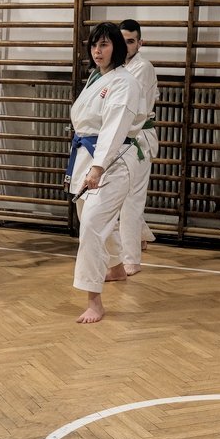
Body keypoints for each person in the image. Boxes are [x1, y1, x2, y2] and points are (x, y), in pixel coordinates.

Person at [68, 22, 146, 323]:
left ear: (117, 46)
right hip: (86, 157)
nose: (98, 50)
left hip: (112, 162)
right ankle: (115, 267)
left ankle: (94, 300)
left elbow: (114, 128)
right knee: (91, 219)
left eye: (105, 44)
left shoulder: (124, 82)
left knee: (90, 225)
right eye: (94, 45)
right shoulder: (96, 78)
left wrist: (99, 167)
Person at [112, 19, 159, 275]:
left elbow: (124, 101)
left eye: (131, 41)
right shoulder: (117, 66)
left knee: (131, 199)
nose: (126, 45)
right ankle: (141, 235)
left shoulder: (143, 67)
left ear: (140, 43)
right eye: (122, 41)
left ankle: (131, 259)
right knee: (122, 196)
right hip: (120, 137)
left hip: (138, 137)